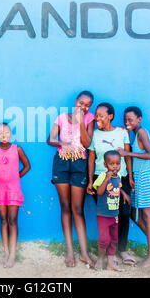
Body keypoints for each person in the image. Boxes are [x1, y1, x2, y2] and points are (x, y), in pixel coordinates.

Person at [47, 90, 96, 268]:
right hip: (61, 163)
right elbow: (50, 139)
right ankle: (69, 252)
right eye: (81, 103)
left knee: (78, 208)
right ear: (76, 101)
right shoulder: (61, 117)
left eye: (87, 105)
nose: (83, 107)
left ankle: (84, 253)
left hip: (79, 165)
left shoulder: (90, 119)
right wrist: (61, 143)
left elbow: (87, 143)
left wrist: (81, 122)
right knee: (65, 207)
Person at [116, 106, 150, 268]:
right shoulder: (134, 133)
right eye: (125, 120)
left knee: (146, 215)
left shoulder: (142, 132)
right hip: (137, 179)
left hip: (146, 178)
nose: (127, 122)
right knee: (134, 214)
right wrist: (124, 130)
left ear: (139, 119)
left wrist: (128, 154)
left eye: (130, 119)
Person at [86, 102, 136, 266]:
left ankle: (121, 250)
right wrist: (90, 180)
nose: (97, 118)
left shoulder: (122, 133)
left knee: (123, 214)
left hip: (120, 177)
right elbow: (91, 158)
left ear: (110, 116)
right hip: (101, 179)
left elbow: (127, 156)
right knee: (107, 215)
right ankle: (109, 253)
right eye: (96, 116)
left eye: (101, 115)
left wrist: (130, 176)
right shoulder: (94, 134)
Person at [0, 122, 31, 268]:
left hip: (13, 189)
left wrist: (16, 176)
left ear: (11, 134)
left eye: (6, 133)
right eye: (0, 133)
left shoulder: (17, 149)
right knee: (3, 220)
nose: (3, 135)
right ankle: (6, 252)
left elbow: (27, 166)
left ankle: (12, 254)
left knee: (12, 220)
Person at [91, 150, 130, 271]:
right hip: (103, 214)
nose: (115, 166)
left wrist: (124, 193)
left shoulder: (118, 177)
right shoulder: (103, 176)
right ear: (105, 165)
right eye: (111, 164)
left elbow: (117, 187)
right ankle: (100, 259)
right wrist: (106, 178)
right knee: (104, 239)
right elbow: (99, 192)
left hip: (114, 214)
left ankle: (110, 263)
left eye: (117, 163)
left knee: (114, 239)